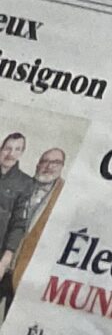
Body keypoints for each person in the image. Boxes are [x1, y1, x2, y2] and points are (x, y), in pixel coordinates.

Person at [7, 147, 66, 301]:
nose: (49, 166)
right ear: (37, 165)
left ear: (62, 167)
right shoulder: (21, 186)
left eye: (55, 162)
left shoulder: (64, 195)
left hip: (28, 277)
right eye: (45, 161)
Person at [0, 132, 34, 316]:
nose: (11, 154)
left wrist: (5, 259)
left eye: (17, 149)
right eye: (8, 148)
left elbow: (19, 223)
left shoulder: (25, 183)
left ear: (22, 153)